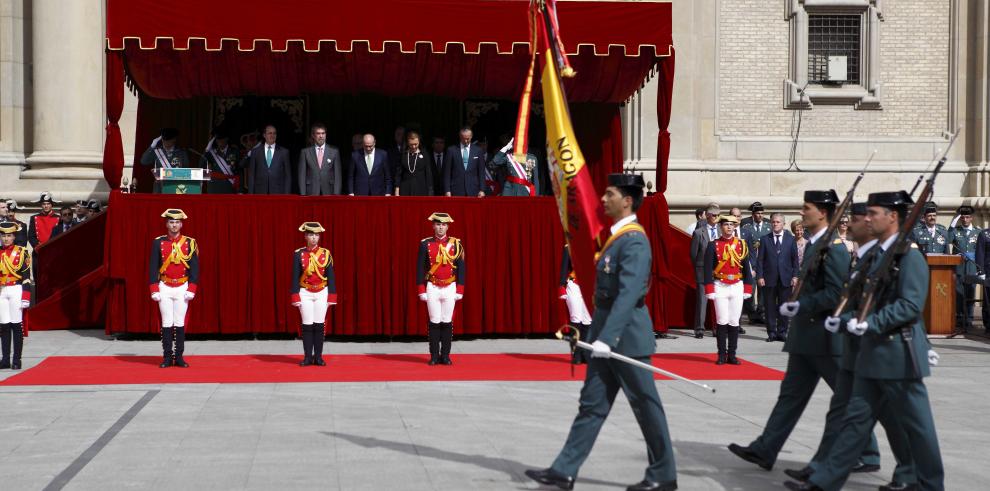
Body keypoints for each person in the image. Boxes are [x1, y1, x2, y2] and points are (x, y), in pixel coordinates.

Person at [526, 173, 677, 491]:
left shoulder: (634, 240)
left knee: (646, 406)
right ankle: (564, 470)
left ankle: (664, 474)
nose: (603, 199)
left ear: (626, 201)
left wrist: (607, 339)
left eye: (609, 194)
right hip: (604, 340)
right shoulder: (616, 237)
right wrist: (599, 338)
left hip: (627, 341)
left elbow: (628, 294)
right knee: (592, 405)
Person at [790, 191, 943, 491]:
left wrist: (868, 322)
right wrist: (846, 321)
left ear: (893, 217)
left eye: (874, 213)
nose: (867, 218)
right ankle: (823, 482)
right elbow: (862, 301)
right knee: (853, 423)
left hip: (899, 356)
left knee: (918, 429)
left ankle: (929, 485)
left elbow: (910, 306)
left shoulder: (909, 256)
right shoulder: (876, 256)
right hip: (870, 355)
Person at [729, 190, 880, 474]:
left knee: (846, 397)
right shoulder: (817, 243)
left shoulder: (833, 248)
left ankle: (869, 453)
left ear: (822, 212)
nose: (802, 212)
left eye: (806, 208)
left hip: (825, 339)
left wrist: (801, 304)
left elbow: (837, 294)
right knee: (790, 396)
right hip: (805, 339)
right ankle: (766, 448)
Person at [149, 209, 199, 368]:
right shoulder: (158, 242)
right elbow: (153, 267)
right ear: (166, 224)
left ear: (181, 224)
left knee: (179, 323)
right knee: (166, 323)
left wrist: (191, 287)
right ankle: (166, 357)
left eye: (177, 222)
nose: (174, 225)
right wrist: (154, 289)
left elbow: (195, 268)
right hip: (164, 286)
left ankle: (179, 357)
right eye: (171, 222)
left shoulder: (190, 242)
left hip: (182, 287)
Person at [703, 214, 753, 364]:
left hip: (737, 285)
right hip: (720, 286)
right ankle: (721, 355)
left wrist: (748, 288)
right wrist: (709, 289)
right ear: (721, 227)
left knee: (734, 321)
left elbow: (746, 269)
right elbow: (707, 269)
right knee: (722, 320)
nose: (729, 227)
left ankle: (732, 355)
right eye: (726, 224)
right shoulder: (713, 245)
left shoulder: (742, 244)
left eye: (732, 224)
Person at [417, 212, 465, 365]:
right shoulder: (425, 244)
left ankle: (445, 355)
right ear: (433, 226)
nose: (440, 227)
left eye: (443, 225)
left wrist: (460, 289)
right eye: (438, 224)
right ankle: (433, 356)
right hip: (432, 287)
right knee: (434, 322)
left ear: (447, 226)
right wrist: (421, 289)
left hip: (450, 286)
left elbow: (462, 268)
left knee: (447, 322)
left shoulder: (456, 244)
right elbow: (419, 268)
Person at [290, 222, 337, 366]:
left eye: (317, 235)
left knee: (319, 325)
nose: (314, 238)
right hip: (305, 292)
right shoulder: (299, 254)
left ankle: (318, 357)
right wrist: (295, 295)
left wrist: (332, 296)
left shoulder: (325, 254)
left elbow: (330, 276)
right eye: (311, 235)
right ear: (305, 236)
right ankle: (307, 357)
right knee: (307, 326)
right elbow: (295, 277)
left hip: (322, 292)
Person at [756, 213, 799, 342]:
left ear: (783, 224)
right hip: (769, 278)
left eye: (778, 222)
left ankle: (782, 332)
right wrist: (760, 276)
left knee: (784, 306)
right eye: (773, 222)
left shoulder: (790, 239)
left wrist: (795, 276)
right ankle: (772, 333)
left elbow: (795, 260)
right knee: (769, 307)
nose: (775, 224)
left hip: (786, 278)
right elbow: (760, 260)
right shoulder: (764, 239)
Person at [0, 221, 31, 370]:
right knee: (4, 326)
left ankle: (17, 359)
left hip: (16, 289)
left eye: (9, 235)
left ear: (14, 236)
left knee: (16, 325)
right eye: (3, 236)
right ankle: (5, 359)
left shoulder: (22, 252)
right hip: (1, 290)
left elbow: (26, 276)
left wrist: (26, 296)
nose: (6, 239)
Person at [690, 204, 721, 338]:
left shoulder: (722, 230)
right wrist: (699, 266)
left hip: (719, 272)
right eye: (713, 215)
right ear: (707, 216)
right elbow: (693, 254)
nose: (716, 218)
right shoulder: (699, 232)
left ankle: (716, 328)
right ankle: (699, 329)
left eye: (718, 215)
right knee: (702, 301)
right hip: (702, 270)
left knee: (718, 302)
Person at [948, 205, 980, 333]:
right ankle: (959, 318)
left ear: (971, 218)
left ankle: (969, 319)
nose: (965, 220)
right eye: (962, 217)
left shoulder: (978, 232)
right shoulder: (956, 231)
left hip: (972, 266)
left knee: (970, 292)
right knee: (959, 293)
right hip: (959, 266)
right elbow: (947, 239)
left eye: (967, 217)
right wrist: (953, 223)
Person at [559, 244, 592, 364]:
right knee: (576, 319)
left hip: (590, 286)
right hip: (574, 285)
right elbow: (564, 267)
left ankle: (585, 352)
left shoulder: (594, 246)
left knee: (587, 320)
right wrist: (561, 285)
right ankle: (576, 353)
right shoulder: (569, 246)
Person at [244, 125, 292, 195]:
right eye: (270, 133)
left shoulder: (284, 152)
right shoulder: (255, 152)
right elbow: (252, 175)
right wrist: (251, 194)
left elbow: (288, 176)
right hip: (260, 192)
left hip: (278, 193)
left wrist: (287, 195)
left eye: (274, 133)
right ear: (264, 135)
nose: (272, 135)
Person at [298, 123, 343, 196]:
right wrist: (303, 194)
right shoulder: (305, 152)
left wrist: (336, 193)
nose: (321, 136)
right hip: (311, 191)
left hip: (329, 191)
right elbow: (302, 175)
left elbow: (338, 175)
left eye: (323, 133)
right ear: (313, 135)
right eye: (318, 133)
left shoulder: (334, 152)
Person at [140, 128, 190, 193]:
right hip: (159, 190)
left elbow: (186, 171)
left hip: (176, 190)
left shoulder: (181, 153)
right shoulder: (157, 151)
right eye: (164, 140)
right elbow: (144, 161)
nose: (165, 143)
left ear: (174, 140)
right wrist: (152, 146)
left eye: (168, 140)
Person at [443, 126, 487, 197]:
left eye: (468, 139)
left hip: (474, 190)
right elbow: (447, 172)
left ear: (471, 136)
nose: (466, 141)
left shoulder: (478, 150)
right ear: (460, 137)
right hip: (456, 189)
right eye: (463, 139)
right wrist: (447, 190)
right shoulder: (451, 150)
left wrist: (482, 189)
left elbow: (481, 172)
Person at [201, 128, 243, 194]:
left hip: (229, 188)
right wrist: (206, 151)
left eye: (222, 139)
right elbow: (202, 166)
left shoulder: (234, 152)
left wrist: (240, 190)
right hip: (214, 188)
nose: (220, 141)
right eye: (218, 139)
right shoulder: (211, 153)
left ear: (227, 139)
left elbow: (239, 171)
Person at [393, 131, 434, 196]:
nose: (414, 146)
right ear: (407, 143)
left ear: (419, 142)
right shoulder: (403, 155)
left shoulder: (425, 155)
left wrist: (430, 192)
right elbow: (398, 174)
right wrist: (397, 190)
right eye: (411, 144)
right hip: (405, 189)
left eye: (416, 144)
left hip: (421, 189)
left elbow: (428, 174)